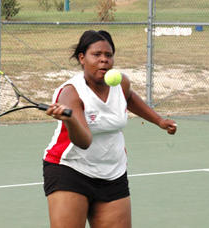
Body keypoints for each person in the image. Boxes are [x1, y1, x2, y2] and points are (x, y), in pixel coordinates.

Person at [43, 30, 177, 228]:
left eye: (108, 55)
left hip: (113, 172)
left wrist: (158, 120)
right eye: (96, 55)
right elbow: (84, 141)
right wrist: (69, 121)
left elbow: (129, 98)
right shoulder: (71, 93)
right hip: (70, 169)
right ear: (82, 58)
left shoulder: (120, 83)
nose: (104, 60)